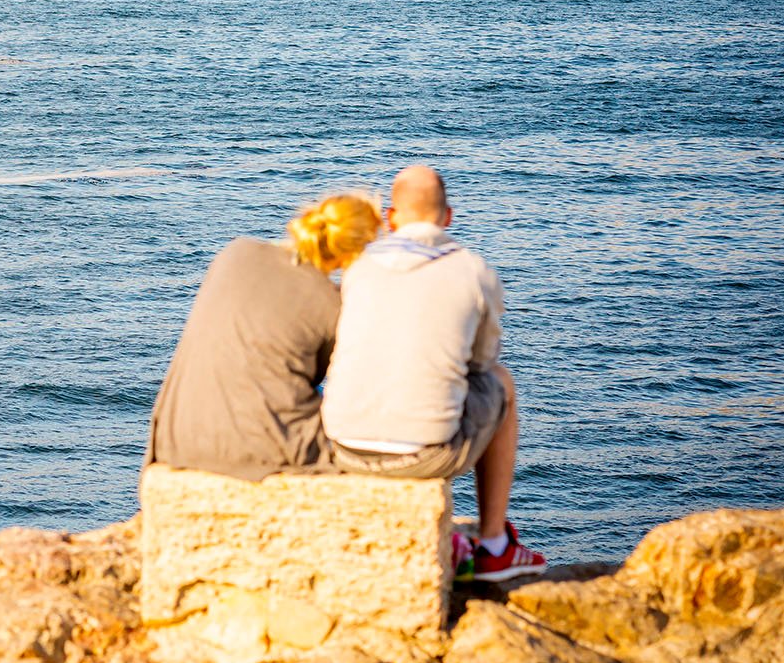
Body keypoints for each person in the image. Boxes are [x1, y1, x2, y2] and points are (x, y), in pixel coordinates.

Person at [322, 165, 547, 582]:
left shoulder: (357, 269)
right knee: (503, 382)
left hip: (344, 448)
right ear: (448, 217)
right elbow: (480, 366)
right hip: (425, 454)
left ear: (391, 218)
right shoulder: (474, 270)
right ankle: (495, 545)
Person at [145, 194, 382, 481]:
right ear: (357, 252)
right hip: (261, 453)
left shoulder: (236, 253)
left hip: (174, 441)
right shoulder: (333, 306)